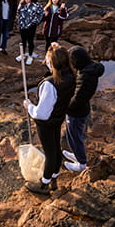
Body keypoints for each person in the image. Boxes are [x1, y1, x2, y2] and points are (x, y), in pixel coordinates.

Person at [23, 45, 76, 195]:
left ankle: (44, 184)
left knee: (50, 152)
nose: (45, 60)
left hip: (46, 123)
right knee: (56, 148)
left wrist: (29, 106)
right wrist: (55, 49)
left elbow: (42, 114)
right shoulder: (71, 76)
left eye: (47, 58)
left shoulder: (50, 84)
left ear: (52, 63)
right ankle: (54, 176)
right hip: (58, 118)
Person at [63, 46, 104, 173]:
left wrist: (65, 107)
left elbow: (78, 99)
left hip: (77, 112)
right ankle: (76, 154)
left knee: (76, 136)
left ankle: (81, 164)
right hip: (79, 110)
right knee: (71, 134)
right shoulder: (88, 69)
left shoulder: (86, 76)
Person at [16, 0, 44, 66]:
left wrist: (35, 22)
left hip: (31, 26)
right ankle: (22, 54)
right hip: (22, 25)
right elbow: (18, 12)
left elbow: (41, 13)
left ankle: (30, 56)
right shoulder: (22, 4)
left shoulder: (36, 5)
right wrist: (19, 21)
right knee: (23, 41)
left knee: (30, 41)